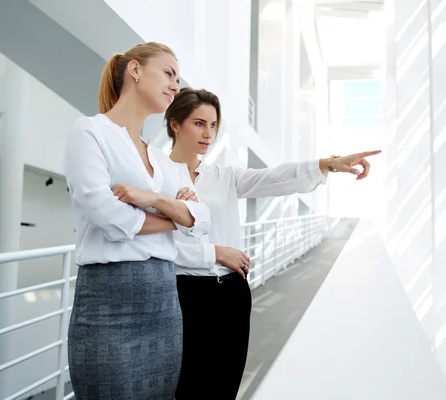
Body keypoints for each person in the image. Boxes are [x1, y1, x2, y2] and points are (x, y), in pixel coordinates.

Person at [163, 88, 381, 399]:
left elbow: (276, 178)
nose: (208, 133)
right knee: (184, 384)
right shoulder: (155, 174)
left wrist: (330, 163)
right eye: (199, 123)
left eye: (213, 125)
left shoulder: (223, 176)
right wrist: (214, 252)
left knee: (224, 383)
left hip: (229, 292)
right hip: (178, 291)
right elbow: (153, 241)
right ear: (175, 124)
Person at [64, 44, 211, 400]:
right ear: (135, 70)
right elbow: (106, 215)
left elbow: (203, 218)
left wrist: (153, 201)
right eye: (168, 73)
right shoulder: (89, 132)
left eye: (177, 78)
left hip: (163, 303)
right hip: (108, 305)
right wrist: (176, 217)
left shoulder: (161, 160)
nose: (175, 86)